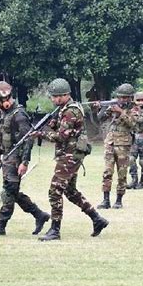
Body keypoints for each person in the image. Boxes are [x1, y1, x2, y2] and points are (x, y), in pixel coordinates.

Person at [32, 78, 108, 241]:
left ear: (64, 95)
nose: (52, 99)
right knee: (70, 191)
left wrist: (41, 134)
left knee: (55, 191)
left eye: (55, 96)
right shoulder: (66, 109)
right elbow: (68, 130)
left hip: (70, 154)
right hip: (71, 154)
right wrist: (53, 124)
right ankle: (97, 219)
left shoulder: (69, 111)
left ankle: (55, 229)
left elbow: (61, 136)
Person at [0, 82, 50, 236]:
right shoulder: (5, 113)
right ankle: (39, 215)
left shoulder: (19, 115)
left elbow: (28, 139)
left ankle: (0, 227)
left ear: (4, 99)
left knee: (8, 192)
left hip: (16, 159)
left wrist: (24, 162)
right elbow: (3, 134)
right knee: (12, 190)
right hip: (7, 157)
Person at [95, 83, 138, 209]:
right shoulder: (113, 107)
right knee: (107, 172)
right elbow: (101, 118)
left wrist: (121, 112)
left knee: (122, 174)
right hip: (110, 143)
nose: (122, 100)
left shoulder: (134, 109)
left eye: (125, 97)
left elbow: (133, 124)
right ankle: (106, 200)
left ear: (130, 98)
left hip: (123, 145)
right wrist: (101, 107)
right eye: (120, 97)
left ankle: (119, 200)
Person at [127, 91, 143, 190]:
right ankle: (134, 180)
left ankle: (142, 182)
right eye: (138, 100)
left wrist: (134, 112)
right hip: (133, 137)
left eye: (142, 100)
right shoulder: (132, 109)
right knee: (131, 159)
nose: (140, 102)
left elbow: (140, 120)